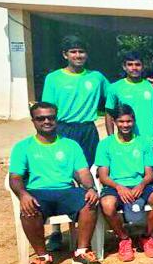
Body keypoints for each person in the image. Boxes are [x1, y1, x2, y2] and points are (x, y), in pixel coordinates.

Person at [8, 102, 103, 264]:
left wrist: (90, 188)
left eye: (50, 117)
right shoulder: (23, 147)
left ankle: (81, 252)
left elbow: (83, 172)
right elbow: (15, 177)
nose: (46, 121)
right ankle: (43, 258)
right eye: (41, 118)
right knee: (28, 210)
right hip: (37, 192)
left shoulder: (71, 145)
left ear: (56, 119)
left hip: (66, 190)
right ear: (33, 121)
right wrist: (23, 195)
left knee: (90, 201)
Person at [41, 35, 108, 252]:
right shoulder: (54, 78)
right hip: (62, 129)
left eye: (81, 51)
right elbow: (46, 109)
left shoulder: (96, 77)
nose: (78, 55)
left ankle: (89, 225)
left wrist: (151, 83)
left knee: (89, 176)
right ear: (65, 55)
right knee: (61, 177)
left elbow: (117, 93)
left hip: (88, 130)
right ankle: (57, 231)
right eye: (73, 52)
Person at [96, 105, 153, 261]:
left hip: (141, 184)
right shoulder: (105, 144)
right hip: (115, 186)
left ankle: (147, 236)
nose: (125, 125)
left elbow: (149, 174)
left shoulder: (143, 143)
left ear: (134, 121)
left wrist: (141, 185)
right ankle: (124, 239)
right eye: (121, 121)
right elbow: (103, 176)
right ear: (115, 122)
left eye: (129, 121)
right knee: (107, 205)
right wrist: (119, 187)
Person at [104, 52, 153, 157]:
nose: (134, 68)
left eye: (137, 64)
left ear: (142, 66)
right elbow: (109, 114)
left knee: (152, 172)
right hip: (124, 142)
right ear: (124, 67)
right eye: (130, 64)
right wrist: (111, 139)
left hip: (149, 142)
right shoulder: (115, 88)